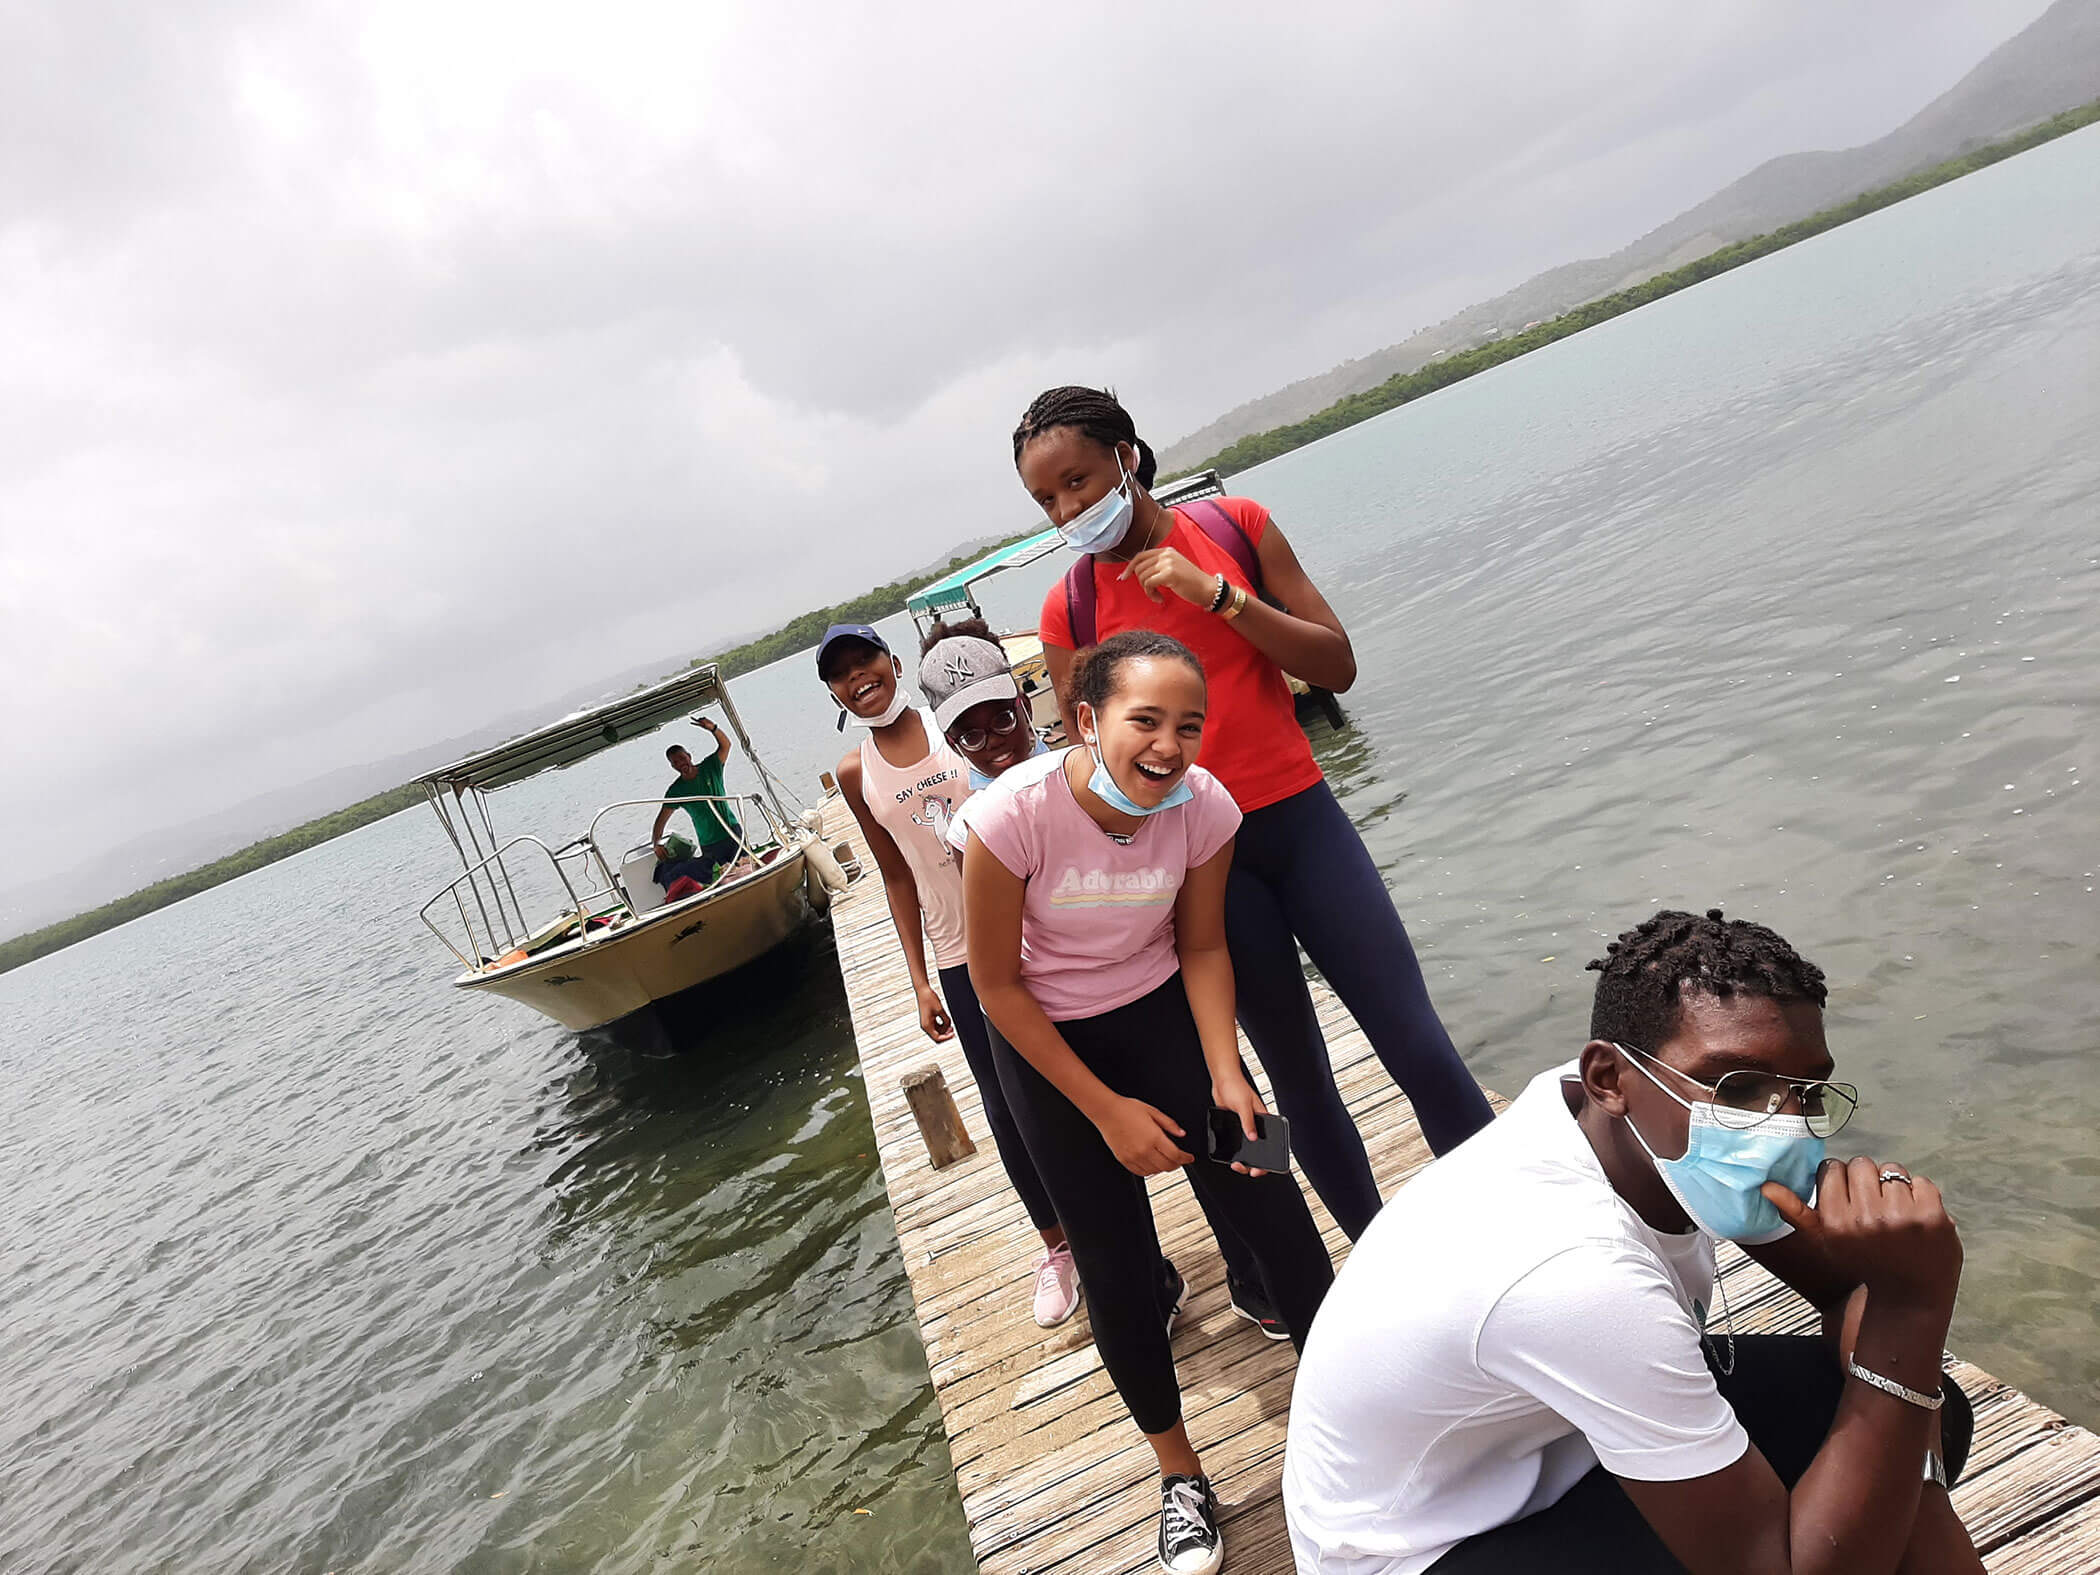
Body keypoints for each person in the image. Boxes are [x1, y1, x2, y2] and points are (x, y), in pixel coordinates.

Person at [1282, 907, 1982, 1575]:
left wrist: (1903, 1411)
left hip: (1546, 1452)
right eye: (1738, 1088)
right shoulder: (1571, 1271)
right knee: (1884, 1431)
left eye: (1807, 1092)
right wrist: (1911, 1311)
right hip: (1424, 1545)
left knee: (1918, 1419)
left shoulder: (1625, 1111)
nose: (1782, 1124)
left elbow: (1844, 1288)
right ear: (1609, 1077)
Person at [1012, 384, 1495, 1336]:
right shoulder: (1067, 609)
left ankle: (1511, 1222)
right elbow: (1093, 767)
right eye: (1048, 501)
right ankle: (1384, 1262)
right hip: (1201, 873)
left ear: (1127, 455)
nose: (1070, 512)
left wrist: (1221, 598)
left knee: (1418, 1042)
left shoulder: (1235, 526)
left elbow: (1335, 665)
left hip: (1304, 824)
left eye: (1078, 482)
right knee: (1295, 1081)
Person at [964, 629, 1334, 1575]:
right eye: (1145, 721)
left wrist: (1225, 1069)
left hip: (1168, 1012)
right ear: (1086, 720)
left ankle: (1350, 1400)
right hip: (1049, 1046)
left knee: (1275, 1199)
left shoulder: (1204, 805)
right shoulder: (1012, 817)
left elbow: (1204, 946)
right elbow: (997, 987)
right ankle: (1180, 1478)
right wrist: (1105, 1110)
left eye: (1188, 725)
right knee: (1118, 1266)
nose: (1169, 746)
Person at [822, 622, 1079, 1327]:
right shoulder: (856, 774)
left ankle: (1111, 1220)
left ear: (894, 662)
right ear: (835, 692)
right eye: (841, 673)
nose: (859, 677)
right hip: (959, 955)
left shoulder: (951, 728)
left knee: (1078, 1076)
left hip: (1030, 928)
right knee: (1005, 1108)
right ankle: (1058, 1245)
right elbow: (895, 874)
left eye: (866, 660)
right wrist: (918, 977)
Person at [651, 720, 742, 887]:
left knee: (744, 869)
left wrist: (713, 728)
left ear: (689, 756)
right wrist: (656, 843)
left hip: (731, 831)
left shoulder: (711, 767)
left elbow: (726, 745)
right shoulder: (676, 790)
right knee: (722, 880)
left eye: (681, 758)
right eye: (675, 762)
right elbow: (661, 820)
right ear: (672, 766)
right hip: (709, 842)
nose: (680, 764)